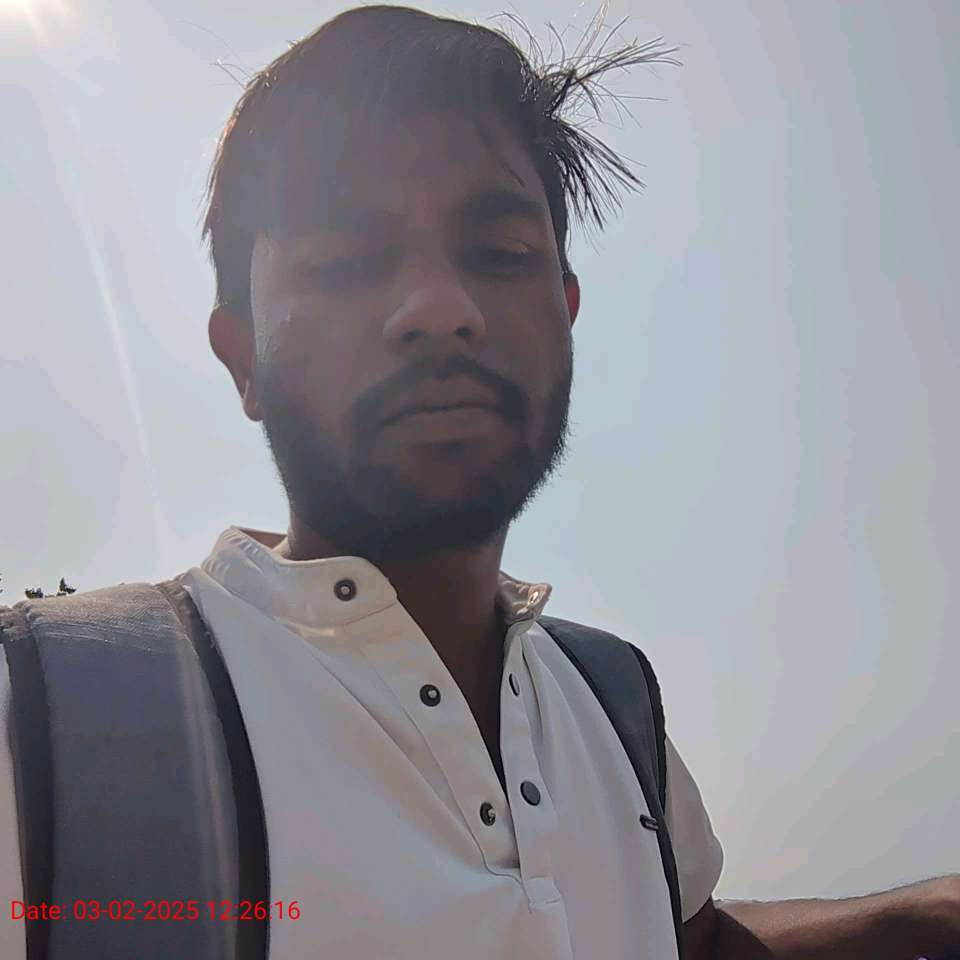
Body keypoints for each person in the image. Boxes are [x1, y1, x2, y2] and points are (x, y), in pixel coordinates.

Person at [2, 5, 958, 958]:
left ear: (566, 311)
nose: (439, 307)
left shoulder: (614, 706)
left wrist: (914, 914)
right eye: (347, 260)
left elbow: (689, 939)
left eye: (500, 254)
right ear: (243, 354)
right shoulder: (48, 716)